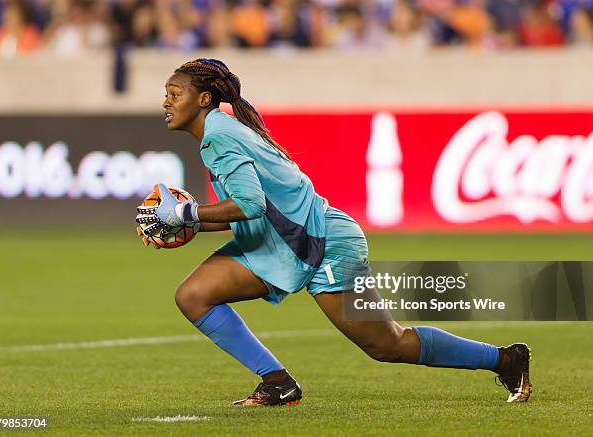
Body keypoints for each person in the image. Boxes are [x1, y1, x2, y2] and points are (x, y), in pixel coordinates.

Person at [135, 58, 533, 406]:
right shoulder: (219, 132)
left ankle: (504, 359)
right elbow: (255, 211)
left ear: (203, 99)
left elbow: (251, 206)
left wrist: (187, 211)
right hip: (283, 244)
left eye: (174, 92)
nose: (166, 101)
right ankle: (277, 383)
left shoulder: (220, 135)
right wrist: (185, 221)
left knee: (387, 345)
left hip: (323, 243)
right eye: (166, 94)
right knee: (194, 295)